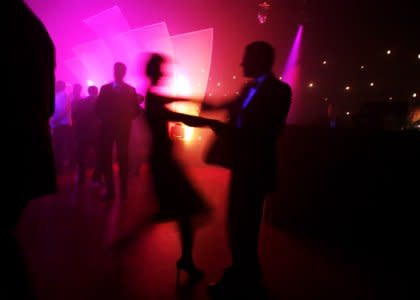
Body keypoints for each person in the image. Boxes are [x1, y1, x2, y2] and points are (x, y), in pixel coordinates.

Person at [202, 41, 292, 298]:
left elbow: (264, 131)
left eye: (246, 58)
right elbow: (237, 109)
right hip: (245, 167)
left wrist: (225, 127)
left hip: (255, 168)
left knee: (245, 225)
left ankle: (243, 278)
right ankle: (245, 274)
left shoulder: (279, 91)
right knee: (239, 224)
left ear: (260, 59)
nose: (242, 63)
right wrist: (216, 110)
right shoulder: (252, 88)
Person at [144, 53, 218, 281]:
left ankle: (186, 259)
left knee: (184, 212)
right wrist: (212, 122)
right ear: (152, 72)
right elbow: (179, 115)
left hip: (164, 162)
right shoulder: (152, 99)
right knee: (187, 210)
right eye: (160, 69)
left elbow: (174, 101)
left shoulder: (152, 97)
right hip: (163, 164)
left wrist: (196, 102)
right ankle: (186, 259)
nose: (164, 73)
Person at [5, 1, 57, 298]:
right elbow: (46, 105)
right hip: (23, 150)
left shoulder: (14, 23)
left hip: (9, 149)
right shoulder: (30, 27)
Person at [95, 62, 140, 200]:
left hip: (110, 128)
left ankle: (112, 191)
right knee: (121, 158)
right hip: (121, 129)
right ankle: (122, 191)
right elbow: (136, 111)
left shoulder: (105, 88)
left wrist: (105, 118)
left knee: (110, 158)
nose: (117, 73)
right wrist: (126, 118)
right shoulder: (130, 90)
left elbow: (97, 109)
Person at [72, 85, 100, 184]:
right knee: (100, 156)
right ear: (97, 92)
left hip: (82, 132)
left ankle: (81, 178)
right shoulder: (101, 102)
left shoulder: (81, 102)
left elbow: (74, 115)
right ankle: (96, 178)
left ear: (88, 92)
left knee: (81, 156)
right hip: (97, 133)